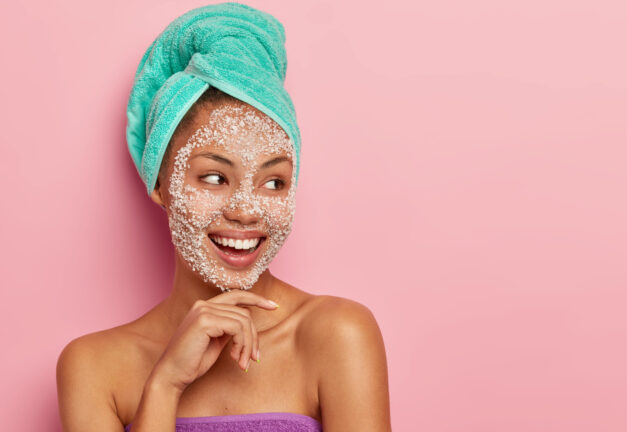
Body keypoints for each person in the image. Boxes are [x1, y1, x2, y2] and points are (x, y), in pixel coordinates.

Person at [56, 4, 390, 432]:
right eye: (214, 177)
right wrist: (164, 385)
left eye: (274, 182)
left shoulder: (337, 335)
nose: (247, 210)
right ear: (159, 183)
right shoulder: (94, 367)